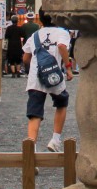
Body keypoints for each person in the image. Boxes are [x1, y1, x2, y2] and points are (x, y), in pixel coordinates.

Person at [22, 9, 73, 152]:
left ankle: (31, 149)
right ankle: (55, 140)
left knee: (35, 113)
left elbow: (25, 58)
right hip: (55, 76)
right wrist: (68, 67)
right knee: (62, 103)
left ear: (40, 19)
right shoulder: (62, 33)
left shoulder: (35, 35)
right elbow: (62, 46)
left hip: (36, 78)